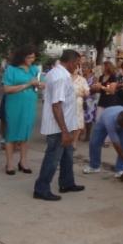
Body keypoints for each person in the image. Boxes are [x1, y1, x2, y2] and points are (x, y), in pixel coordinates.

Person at [33, 50, 84, 201]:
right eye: (77, 63)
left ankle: (67, 183)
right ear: (71, 62)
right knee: (53, 158)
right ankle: (41, 189)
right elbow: (56, 105)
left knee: (67, 155)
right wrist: (64, 131)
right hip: (59, 127)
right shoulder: (61, 77)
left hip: (65, 124)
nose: (77, 66)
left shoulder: (55, 72)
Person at [2, 45, 42, 175]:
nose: (32, 59)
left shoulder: (34, 69)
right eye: (29, 56)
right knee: (11, 133)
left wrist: (40, 84)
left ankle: (23, 161)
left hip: (29, 105)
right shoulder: (11, 69)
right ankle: (9, 163)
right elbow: (7, 89)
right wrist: (28, 84)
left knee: (26, 133)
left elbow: (43, 84)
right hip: (14, 105)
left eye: (33, 56)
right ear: (22, 56)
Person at [82, 106, 123, 177]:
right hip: (103, 121)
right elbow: (116, 144)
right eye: (121, 126)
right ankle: (94, 166)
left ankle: (120, 169)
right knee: (95, 142)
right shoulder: (109, 121)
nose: (122, 128)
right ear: (118, 121)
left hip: (118, 118)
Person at [72, 66, 90, 148]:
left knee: (78, 123)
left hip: (78, 103)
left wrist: (84, 93)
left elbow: (87, 92)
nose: (75, 69)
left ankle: (74, 142)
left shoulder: (82, 80)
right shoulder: (65, 78)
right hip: (66, 103)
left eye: (76, 68)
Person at [82, 64, 98, 142]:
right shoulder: (81, 77)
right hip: (82, 99)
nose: (83, 69)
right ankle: (81, 133)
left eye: (85, 67)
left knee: (89, 119)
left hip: (90, 100)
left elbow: (95, 88)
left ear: (89, 69)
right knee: (81, 118)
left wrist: (88, 91)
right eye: (82, 68)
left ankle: (88, 135)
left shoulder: (94, 78)